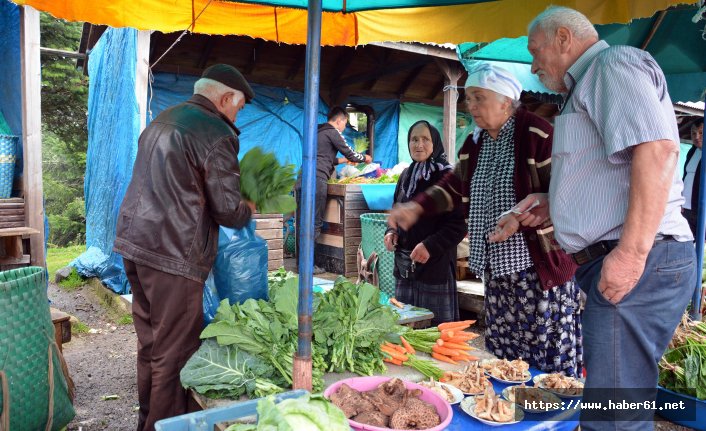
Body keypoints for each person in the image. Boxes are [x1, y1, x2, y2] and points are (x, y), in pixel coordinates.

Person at [498, 7, 693, 430]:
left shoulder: (612, 64)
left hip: (643, 255)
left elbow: (657, 151)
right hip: (625, 258)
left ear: (564, 38)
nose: (533, 65)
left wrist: (631, 254)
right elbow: (608, 175)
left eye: (535, 51)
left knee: (615, 416)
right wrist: (557, 202)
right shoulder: (588, 83)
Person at [388, 62, 583, 377]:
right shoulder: (474, 143)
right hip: (496, 272)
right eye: (469, 98)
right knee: (504, 359)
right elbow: (451, 187)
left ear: (506, 101)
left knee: (545, 360)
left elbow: (568, 194)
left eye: (480, 97)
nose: (471, 105)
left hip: (537, 273)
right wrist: (416, 208)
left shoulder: (538, 134)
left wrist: (523, 215)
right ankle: (509, 416)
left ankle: (553, 419)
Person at [114, 64, 256, 431]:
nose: (237, 114)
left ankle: (148, 422)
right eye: (238, 107)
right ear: (225, 98)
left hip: (135, 244)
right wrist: (248, 208)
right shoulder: (216, 132)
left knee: (151, 347)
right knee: (175, 355)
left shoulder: (164, 117)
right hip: (173, 255)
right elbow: (227, 210)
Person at [384, 121, 466, 325]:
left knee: (436, 332)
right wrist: (391, 231)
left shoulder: (446, 177)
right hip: (405, 266)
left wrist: (429, 246)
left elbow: (459, 225)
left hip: (434, 266)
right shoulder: (406, 175)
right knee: (406, 327)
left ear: (435, 143)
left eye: (425, 139)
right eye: (414, 139)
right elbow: (397, 209)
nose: (418, 144)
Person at [295, 106, 372, 273]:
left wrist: (343, 161)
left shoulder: (316, 132)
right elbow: (352, 154)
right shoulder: (333, 132)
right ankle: (308, 267)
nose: (344, 128)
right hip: (316, 181)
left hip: (302, 180)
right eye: (344, 124)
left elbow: (325, 158)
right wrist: (365, 158)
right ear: (339, 121)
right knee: (314, 224)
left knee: (303, 223)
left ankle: (301, 264)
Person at [682, 120, 704, 236]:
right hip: (686, 208)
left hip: (702, 208)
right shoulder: (692, 151)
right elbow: (685, 177)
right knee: (686, 242)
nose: (696, 137)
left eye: (701, 133)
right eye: (693, 133)